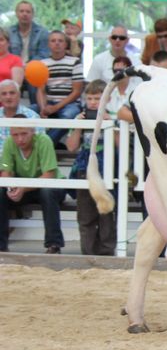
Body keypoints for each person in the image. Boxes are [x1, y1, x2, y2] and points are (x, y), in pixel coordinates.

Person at [0, 116, 66, 253]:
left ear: (33, 131)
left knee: (47, 193)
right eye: (15, 134)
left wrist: (22, 188)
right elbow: (5, 170)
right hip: (24, 187)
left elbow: (49, 175)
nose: (20, 139)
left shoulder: (44, 140)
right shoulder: (9, 143)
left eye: (24, 133)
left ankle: (53, 244)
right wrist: (11, 187)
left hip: (50, 185)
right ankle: (1, 245)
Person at [65, 80, 116, 256]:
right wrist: (78, 126)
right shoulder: (81, 118)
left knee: (106, 213)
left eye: (97, 98)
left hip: (108, 168)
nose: (93, 102)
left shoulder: (113, 117)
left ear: (107, 100)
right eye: (90, 98)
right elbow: (71, 146)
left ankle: (107, 252)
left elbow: (120, 145)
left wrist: (110, 123)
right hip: (84, 168)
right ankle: (87, 252)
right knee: (85, 214)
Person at [38, 31, 85, 145]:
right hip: (49, 102)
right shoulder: (42, 64)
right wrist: (43, 108)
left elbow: (77, 92)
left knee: (69, 116)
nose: (57, 43)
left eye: (60, 41)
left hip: (69, 103)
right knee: (29, 112)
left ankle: (44, 145)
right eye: (53, 41)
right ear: (48, 44)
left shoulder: (75, 62)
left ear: (65, 44)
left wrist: (56, 107)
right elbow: (41, 90)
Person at [9, 0, 51, 104]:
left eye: (28, 11)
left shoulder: (42, 32)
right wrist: (18, 66)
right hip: (14, 68)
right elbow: (7, 53)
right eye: (21, 11)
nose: (24, 14)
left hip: (34, 68)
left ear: (32, 14)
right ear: (16, 13)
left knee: (35, 79)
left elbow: (44, 54)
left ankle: (35, 111)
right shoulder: (9, 32)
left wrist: (28, 66)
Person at [0, 80, 42, 151]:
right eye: (4, 94)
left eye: (12, 93)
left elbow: (39, 147)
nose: (8, 97)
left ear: (19, 95)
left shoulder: (32, 117)